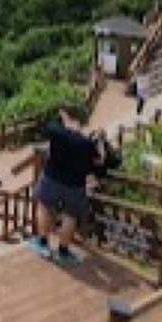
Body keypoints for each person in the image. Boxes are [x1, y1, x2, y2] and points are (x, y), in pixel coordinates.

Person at [26, 104, 104, 267]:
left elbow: (42, 128)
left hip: (52, 178)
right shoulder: (86, 143)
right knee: (71, 215)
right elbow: (99, 160)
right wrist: (99, 140)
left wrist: (60, 118)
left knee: (44, 207)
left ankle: (43, 243)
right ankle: (63, 251)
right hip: (75, 184)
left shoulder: (57, 132)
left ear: (64, 116)